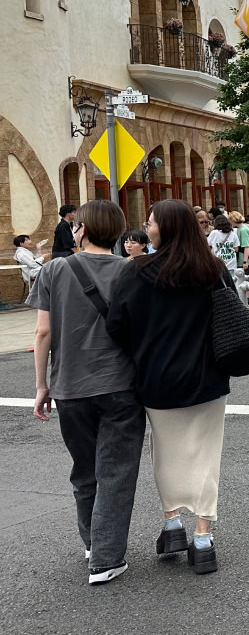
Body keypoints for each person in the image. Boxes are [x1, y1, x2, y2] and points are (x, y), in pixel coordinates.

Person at [106, 199, 234, 576]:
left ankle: (172, 523)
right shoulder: (213, 269)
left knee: (164, 452)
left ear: (166, 228)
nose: (146, 227)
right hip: (208, 378)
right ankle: (203, 538)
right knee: (207, 456)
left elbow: (117, 325)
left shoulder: (137, 272)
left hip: (156, 379)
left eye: (150, 222)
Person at [29, 200, 143, 584]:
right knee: (117, 470)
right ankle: (106, 558)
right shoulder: (133, 272)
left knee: (85, 469)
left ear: (82, 229)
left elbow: (42, 332)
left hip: (70, 387)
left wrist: (43, 384)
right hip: (121, 385)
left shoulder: (54, 270)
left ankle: (94, 544)